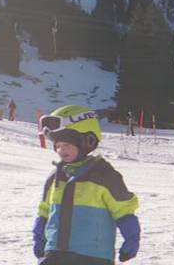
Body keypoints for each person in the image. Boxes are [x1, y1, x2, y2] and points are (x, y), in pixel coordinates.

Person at [33, 105, 140, 264]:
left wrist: (132, 238)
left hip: (92, 255)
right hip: (56, 252)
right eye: (58, 145)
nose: (62, 150)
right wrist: (39, 236)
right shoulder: (55, 177)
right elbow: (45, 211)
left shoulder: (105, 176)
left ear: (87, 141)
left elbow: (124, 210)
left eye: (67, 144)